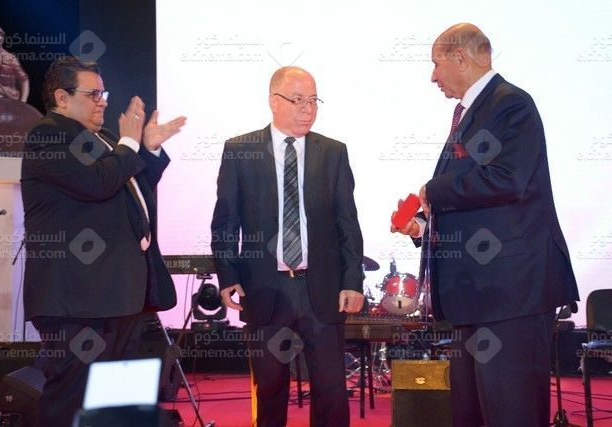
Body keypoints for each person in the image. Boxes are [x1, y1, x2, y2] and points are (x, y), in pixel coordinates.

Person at [392, 23, 579, 426]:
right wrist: (423, 226)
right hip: (477, 297)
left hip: (510, 295)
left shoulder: (510, 105)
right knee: (471, 414)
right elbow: (478, 200)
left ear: (461, 58)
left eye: (436, 63)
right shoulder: (474, 112)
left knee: (511, 413)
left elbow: (508, 179)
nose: (433, 76)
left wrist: (433, 189)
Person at [21, 56, 186, 426]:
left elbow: (133, 191)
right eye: (93, 94)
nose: (103, 102)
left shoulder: (107, 140)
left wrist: (147, 150)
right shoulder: (49, 134)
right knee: (73, 399)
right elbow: (96, 184)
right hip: (77, 301)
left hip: (120, 296)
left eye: (103, 93)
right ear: (61, 98)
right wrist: (129, 143)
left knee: (116, 405)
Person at [211, 66, 365, 427]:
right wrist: (227, 275)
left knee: (331, 388)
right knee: (269, 388)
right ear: (273, 101)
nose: (307, 109)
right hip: (265, 288)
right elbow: (225, 221)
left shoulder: (333, 152)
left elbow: (348, 222)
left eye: (313, 100)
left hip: (322, 288)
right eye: (298, 100)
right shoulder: (241, 150)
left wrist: (352, 281)